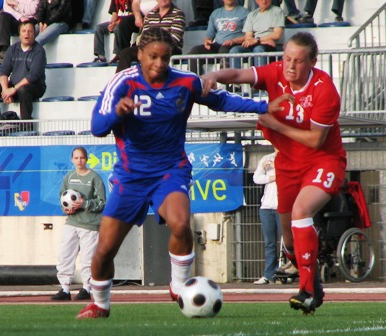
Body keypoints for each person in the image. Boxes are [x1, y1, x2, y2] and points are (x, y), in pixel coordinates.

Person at [75, 26, 292, 319]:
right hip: (131, 176)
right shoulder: (122, 83)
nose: (160, 64)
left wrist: (264, 105)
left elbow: (222, 100)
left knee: (180, 225)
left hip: (170, 170)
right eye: (153, 57)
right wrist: (117, 113)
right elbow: (97, 127)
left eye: (165, 58)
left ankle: (178, 286)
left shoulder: (185, 82)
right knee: (104, 250)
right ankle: (100, 304)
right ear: (140, 55)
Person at [201, 31, 347, 315]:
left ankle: (305, 291)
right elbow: (240, 75)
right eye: (287, 58)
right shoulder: (276, 73)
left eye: (299, 61)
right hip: (287, 164)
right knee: (289, 239)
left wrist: (276, 126)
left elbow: (316, 140)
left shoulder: (324, 90)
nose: (290, 66)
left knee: (301, 212)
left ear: (313, 62)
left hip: (323, 161)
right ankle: (312, 280)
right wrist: (214, 75)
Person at [51, 146, 106, 301]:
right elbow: (62, 197)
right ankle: (65, 289)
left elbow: (102, 202)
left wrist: (84, 204)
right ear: (72, 160)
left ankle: (87, 288)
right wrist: (66, 209)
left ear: (86, 159)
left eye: (82, 158)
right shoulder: (68, 177)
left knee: (88, 258)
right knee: (65, 255)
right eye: (76, 158)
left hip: (90, 225)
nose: (79, 161)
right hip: (72, 222)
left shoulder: (94, 178)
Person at [0, 20, 46, 132]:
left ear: (35, 34)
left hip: (34, 87)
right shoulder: (13, 49)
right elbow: (4, 70)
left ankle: (27, 124)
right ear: (19, 34)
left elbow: (33, 75)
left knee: (24, 89)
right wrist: (5, 90)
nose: (27, 34)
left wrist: (13, 89)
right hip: (14, 86)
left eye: (30, 31)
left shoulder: (39, 51)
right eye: (24, 31)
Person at [115, 0, 185, 73]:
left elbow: (175, 38)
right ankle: (121, 81)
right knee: (125, 53)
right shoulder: (151, 14)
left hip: (170, 49)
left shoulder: (178, 14)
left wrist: (155, 45)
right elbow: (145, 35)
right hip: (151, 47)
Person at [188, 0, 249, 76]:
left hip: (234, 45)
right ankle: (194, 82)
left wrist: (234, 41)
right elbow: (210, 33)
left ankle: (226, 83)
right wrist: (207, 40)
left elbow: (249, 36)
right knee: (195, 51)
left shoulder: (244, 12)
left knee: (223, 49)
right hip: (218, 45)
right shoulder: (215, 13)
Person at [252, 148, 282, 285]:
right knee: (269, 243)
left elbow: (292, 175)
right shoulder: (266, 157)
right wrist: (272, 177)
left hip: (283, 208)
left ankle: (284, 273)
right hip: (266, 207)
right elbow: (256, 178)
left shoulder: (291, 157)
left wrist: (277, 169)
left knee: (286, 244)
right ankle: (269, 275)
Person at [230, 0, 284, 68]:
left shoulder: (277, 11)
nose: (264, 1)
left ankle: (260, 77)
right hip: (255, 44)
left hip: (272, 46)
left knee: (258, 49)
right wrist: (255, 41)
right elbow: (248, 36)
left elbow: (277, 35)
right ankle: (234, 77)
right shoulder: (252, 14)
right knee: (234, 50)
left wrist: (258, 40)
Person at [0, 0, 39, 65]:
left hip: (29, 21)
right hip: (17, 18)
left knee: (5, 20)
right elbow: (7, 8)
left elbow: (32, 10)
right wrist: (20, 16)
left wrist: (16, 4)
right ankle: (3, 50)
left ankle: (1, 56)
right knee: (3, 16)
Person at [92, 0, 133, 64]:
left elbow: (131, 15)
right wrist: (111, 24)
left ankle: (118, 54)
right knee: (99, 28)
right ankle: (101, 56)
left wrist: (115, 24)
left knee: (118, 28)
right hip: (117, 22)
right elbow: (115, 13)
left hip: (126, 23)